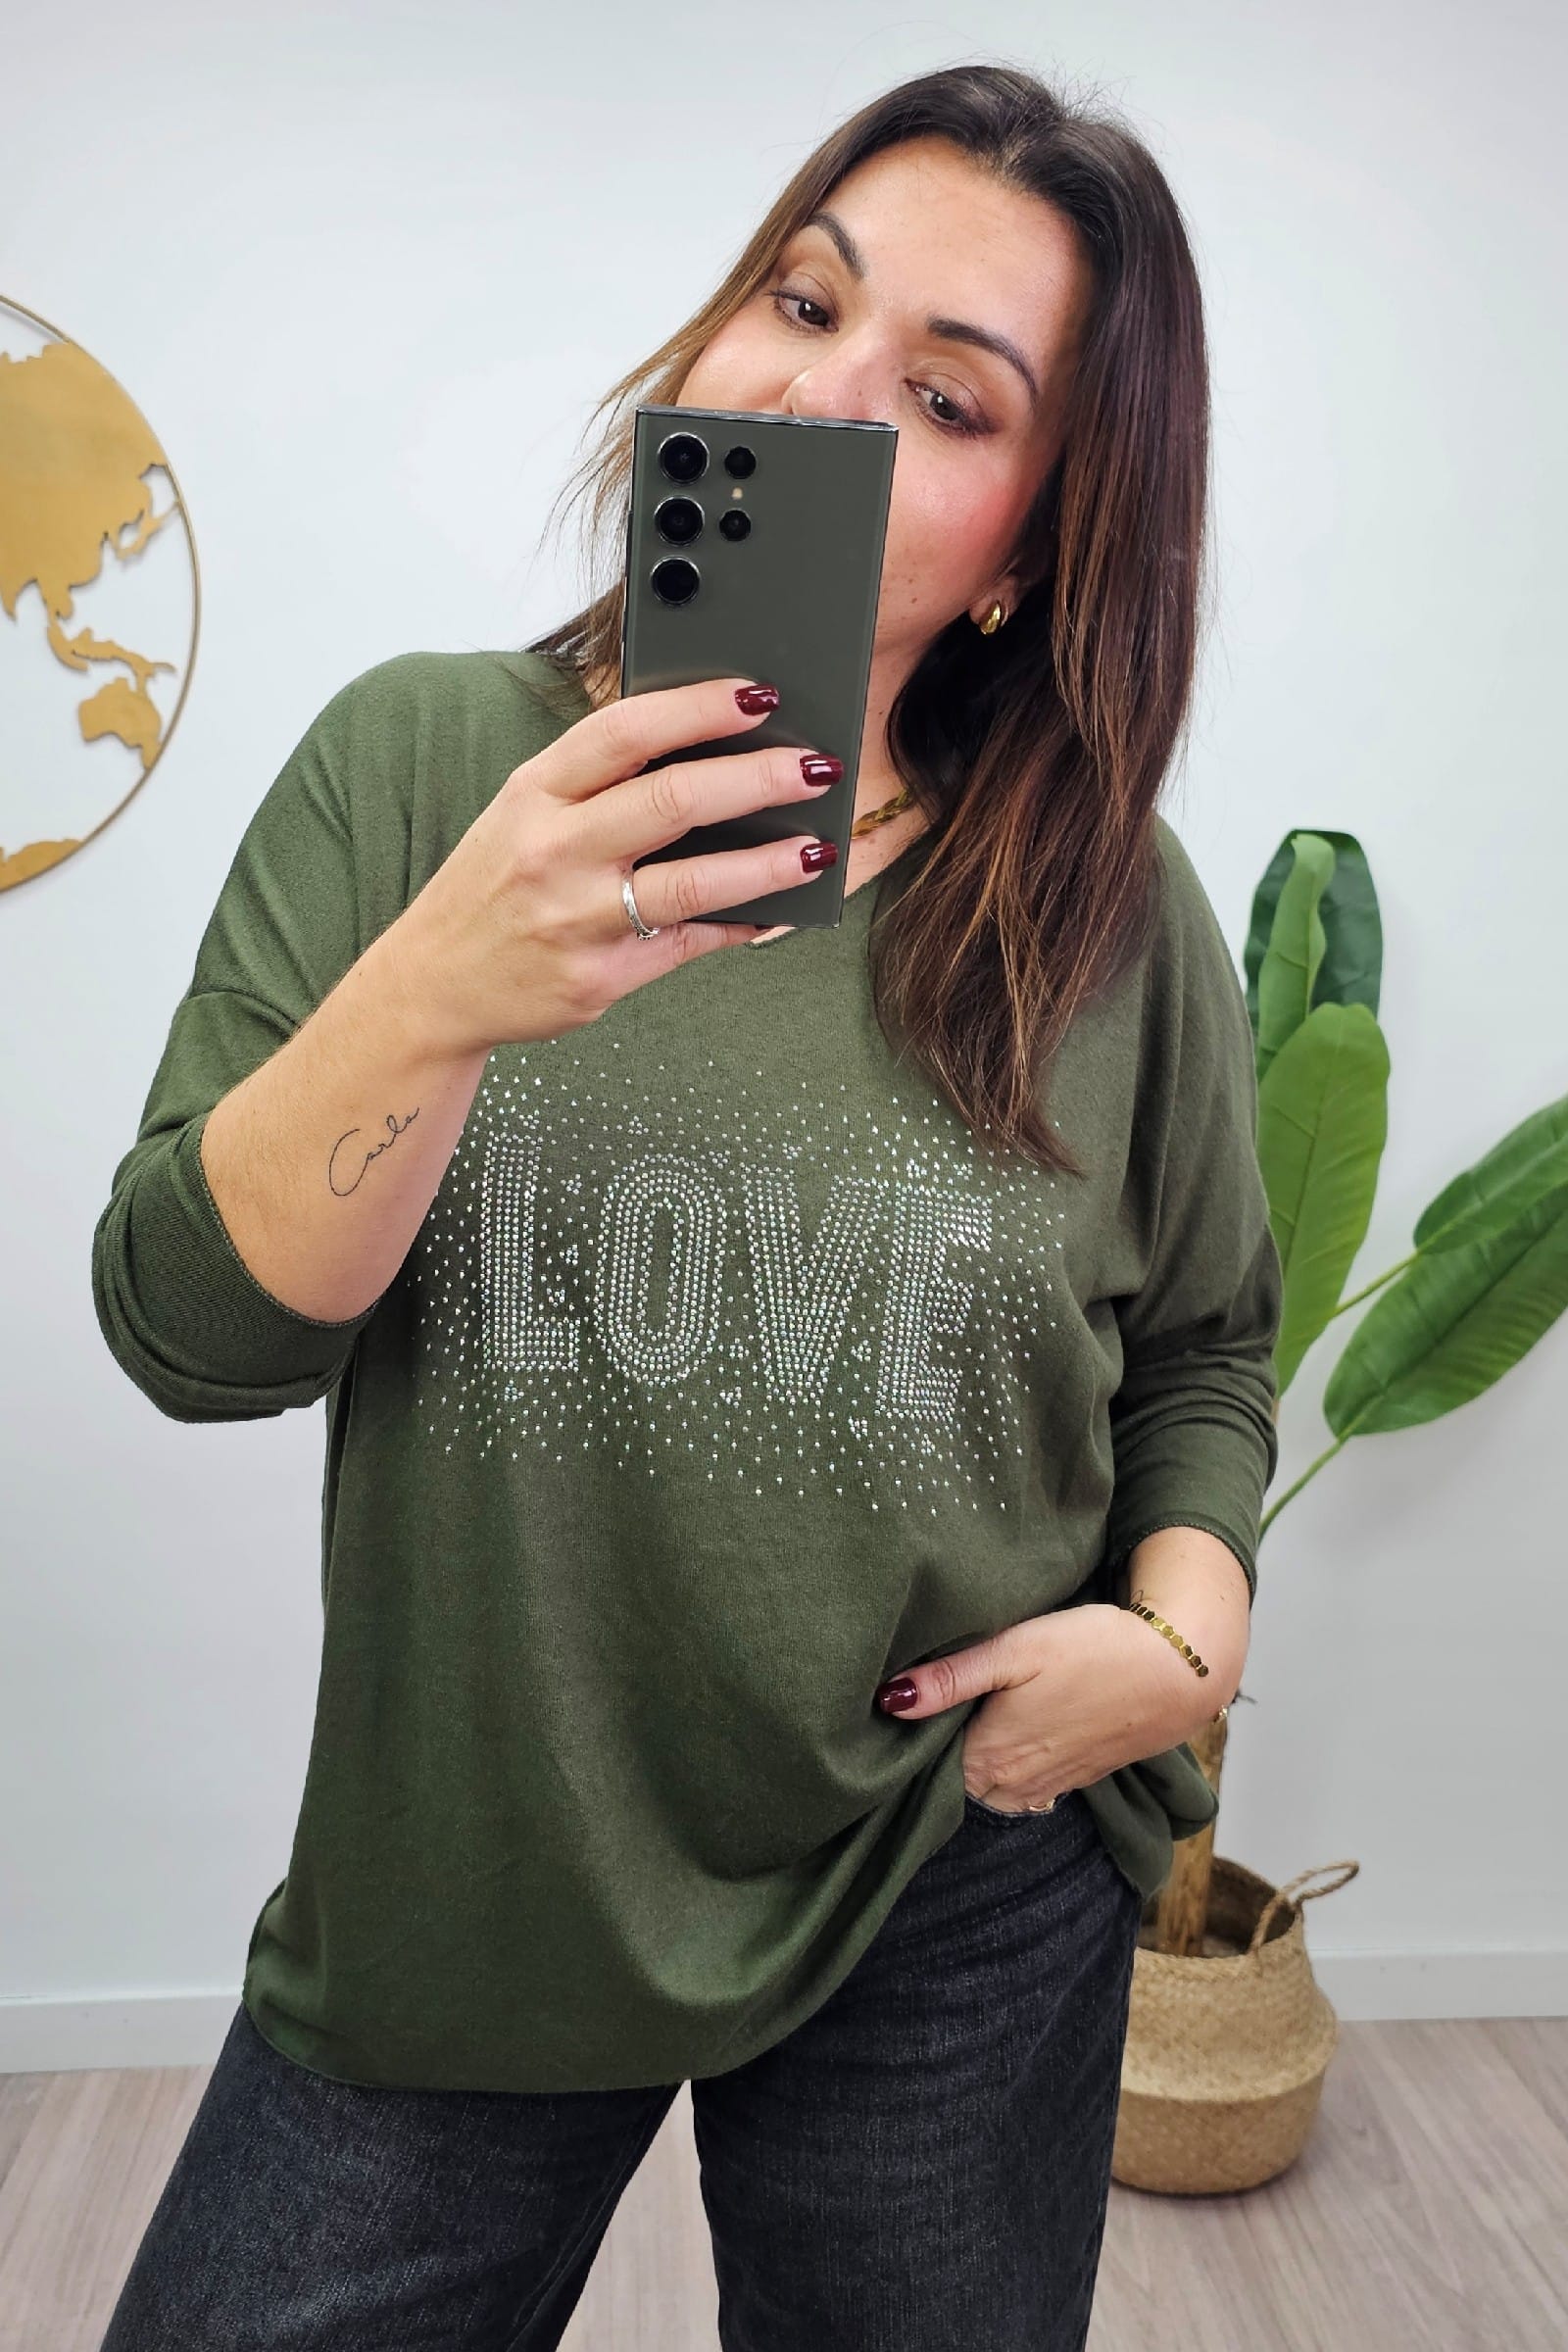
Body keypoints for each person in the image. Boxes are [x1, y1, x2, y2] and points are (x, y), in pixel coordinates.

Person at [92, 60, 1282, 2352]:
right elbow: (192, 1334)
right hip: (472, 1877)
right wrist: (440, 988)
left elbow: (1204, 1347)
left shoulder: (1108, 910)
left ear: (1028, 549)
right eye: (801, 301)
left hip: (956, 1861)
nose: (818, 396)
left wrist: (1176, 1645)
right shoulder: (422, 767)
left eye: (943, 396)